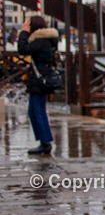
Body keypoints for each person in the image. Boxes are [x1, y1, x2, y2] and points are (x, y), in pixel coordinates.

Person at [17, 16, 59, 155]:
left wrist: (23, 32)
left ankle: (45, 143)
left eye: (28, 24)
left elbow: (22, 49)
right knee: (34, 111)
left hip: (40, 81)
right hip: (39, 80)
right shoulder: (43, 40)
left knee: (38, 111)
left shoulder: (41, 41)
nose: (25, 25)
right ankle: (44, 141)